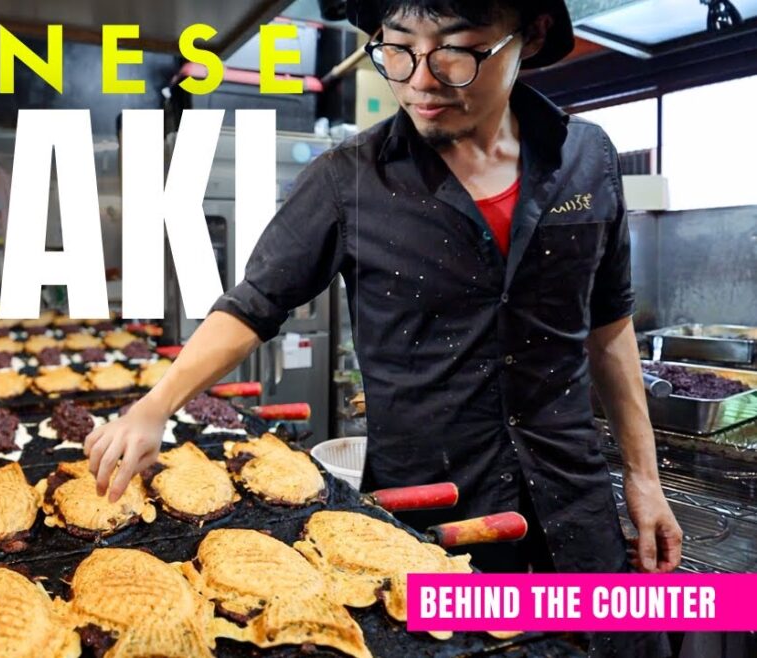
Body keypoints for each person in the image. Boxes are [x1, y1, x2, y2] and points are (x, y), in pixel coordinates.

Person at [86, 1, 682, 653]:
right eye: (397, 48)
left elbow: (609, 325)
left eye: (458, 49)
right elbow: (254, 302)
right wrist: (152, 408)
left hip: (574, 498)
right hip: (431, 516)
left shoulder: (587, 158)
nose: (420, 80)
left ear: (530, 35)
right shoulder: (350, 180)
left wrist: (643, 477)